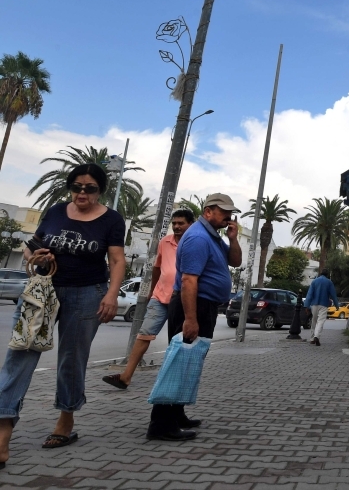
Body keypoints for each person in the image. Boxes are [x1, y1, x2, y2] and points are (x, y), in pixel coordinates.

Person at [0, 164, 126, 464]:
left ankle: (66, 421)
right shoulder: (56, 211)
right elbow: (32, 248)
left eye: (90, 188)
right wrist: (36, 256)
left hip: (86, 293)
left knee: (72, 358)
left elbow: (117, 260)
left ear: (100, 190)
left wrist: (111, 294)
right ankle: (3, 431)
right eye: (77, 186)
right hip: (43, 290)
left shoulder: (112, 220)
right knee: (20, 353)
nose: (82, 192)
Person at [146, 193, 241, 441]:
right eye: (224, 212)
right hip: (193, 305)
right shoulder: (199, 237)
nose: (229, 216)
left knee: (189, 361)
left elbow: (236, 261)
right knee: (180, 360)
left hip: (203, 305)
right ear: (208, 211)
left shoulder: (212, 236)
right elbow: (188, 280)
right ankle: (161, 424)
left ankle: (176, 414)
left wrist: (233, 239)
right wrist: (190, 319)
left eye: (230, 212)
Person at [102, 208, 195, 390]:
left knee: (177, 341)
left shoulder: (194, 243)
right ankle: (125, 376)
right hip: (159, 298)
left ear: (191, 224)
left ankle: (172, 381)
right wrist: (153, 293)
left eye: (180, 223)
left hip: (182, 300)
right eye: (174, 223)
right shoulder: (165, 242)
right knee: (144, 334)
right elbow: (157, 268)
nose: (176, 227)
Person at [303, 270, 338, 346]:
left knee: (314, 321)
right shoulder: (329, 282)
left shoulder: (314, 281)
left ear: (320, 274)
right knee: (321, 321)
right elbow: (333, 295)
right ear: (327, 275)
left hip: (314, 304)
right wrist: (337, 305)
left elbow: (309, 294)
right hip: (324, 304)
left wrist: (306, 305)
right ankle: (317, 336)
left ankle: (312, 339)